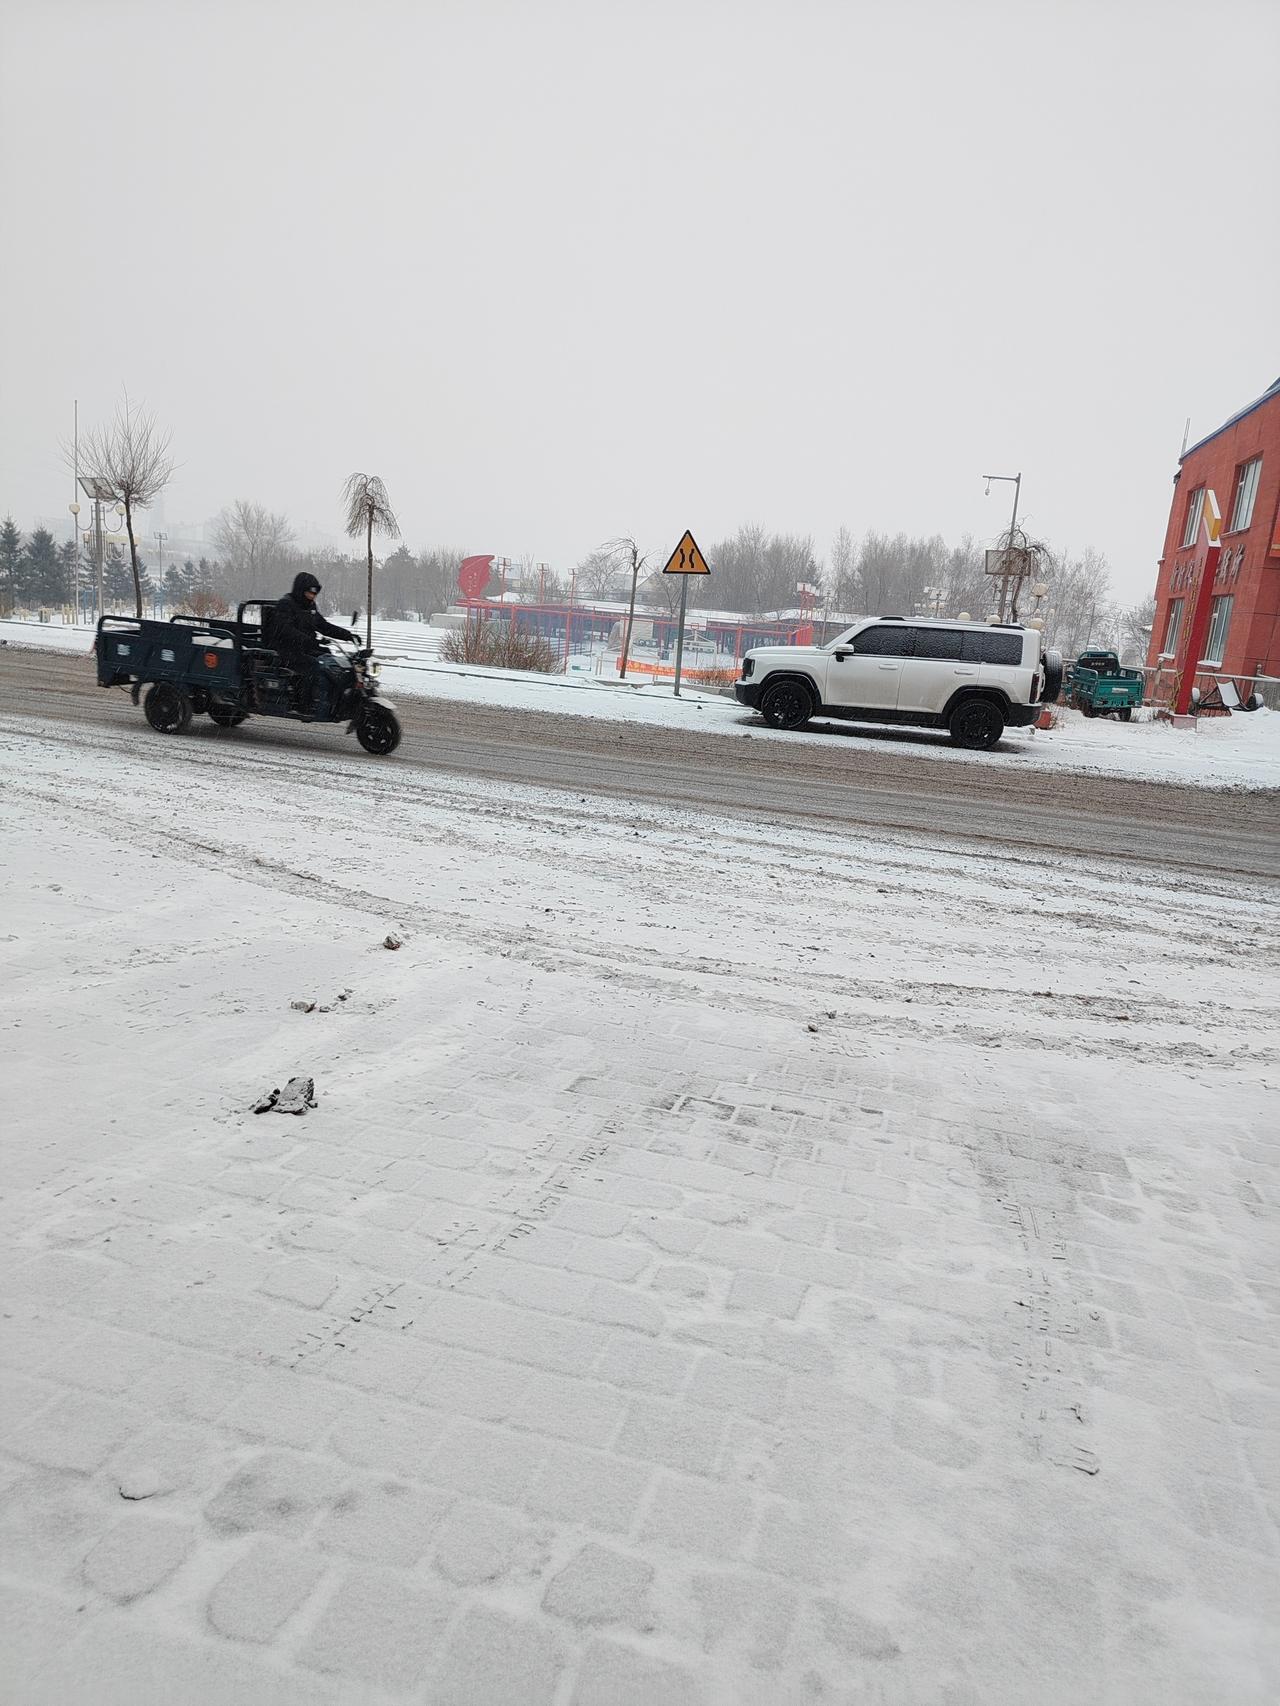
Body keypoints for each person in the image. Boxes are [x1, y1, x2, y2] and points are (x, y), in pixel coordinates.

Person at [267, 572, 357, 718]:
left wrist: (347, 635)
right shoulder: (286, 605)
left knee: (331, 661)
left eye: (314, 594)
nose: (312, 596)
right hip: (285, 650)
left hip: (304, 648)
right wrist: (308, 640)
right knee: (313, 666)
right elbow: (286, 630)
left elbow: (323, 625)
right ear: (300, 590)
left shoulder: (310, 607)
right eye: (309, 593)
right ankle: (304, 705)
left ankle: (330, 699)